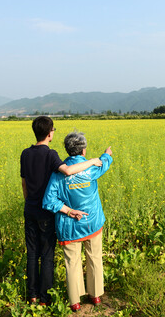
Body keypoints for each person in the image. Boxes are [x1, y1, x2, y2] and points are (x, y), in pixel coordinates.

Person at [20, 116, 102, 305]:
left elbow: (24, 183)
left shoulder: (25, 153)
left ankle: (32, 295)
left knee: (32, 253)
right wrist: (92, 161)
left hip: (30, 209)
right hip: (47, 213)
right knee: (47, 255)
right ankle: (45, 298)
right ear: (50, 133)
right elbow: (67, 171)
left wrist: (29, 203)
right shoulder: (50, 154)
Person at [42, 132, 113, 312]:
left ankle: (74, 302)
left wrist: (68, 211)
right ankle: (95, 295)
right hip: (92, 223)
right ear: (83, 150)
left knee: (72, 263)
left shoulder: (59, 173)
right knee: (95, 258)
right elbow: (104, 163)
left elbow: (48, 201)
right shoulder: (91, 168)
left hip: (69, 226)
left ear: (67, 149)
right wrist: (107, 154)